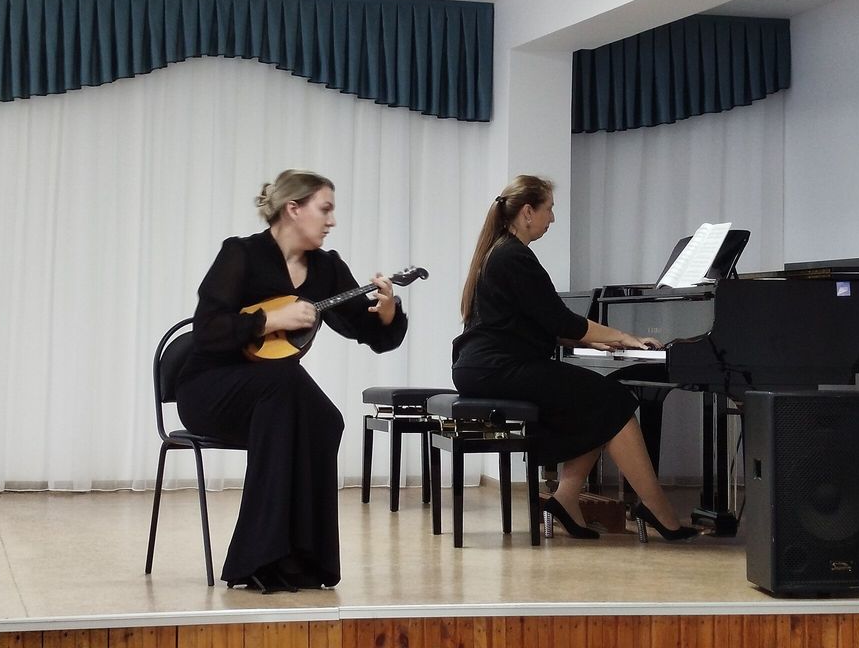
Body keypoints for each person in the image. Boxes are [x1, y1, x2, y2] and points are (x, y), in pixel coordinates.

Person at [176, 169, 408, 590]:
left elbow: (371, 334)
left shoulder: (326, 268)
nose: (332, 221)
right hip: (210, 389)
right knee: (285, 385)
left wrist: (387, 312)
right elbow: (206, 330)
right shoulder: (242, 254)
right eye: (325, 209)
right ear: (293, 209)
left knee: (324, 419)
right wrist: (268, 320)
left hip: (273, 393)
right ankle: (258, 558)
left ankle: (304, 558)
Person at [451, 175, 697, 542]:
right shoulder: (514, 256)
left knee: (597, 401)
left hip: (485, 367)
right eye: (549, 209)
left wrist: (594, 340)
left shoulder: (501, 252)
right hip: (498, 368)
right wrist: (621, 336)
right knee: (614, 400)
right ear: (528, 212)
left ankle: (566, 498)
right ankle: (658, 509)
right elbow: (560, 320)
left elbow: (534, 323)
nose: (552, 218)